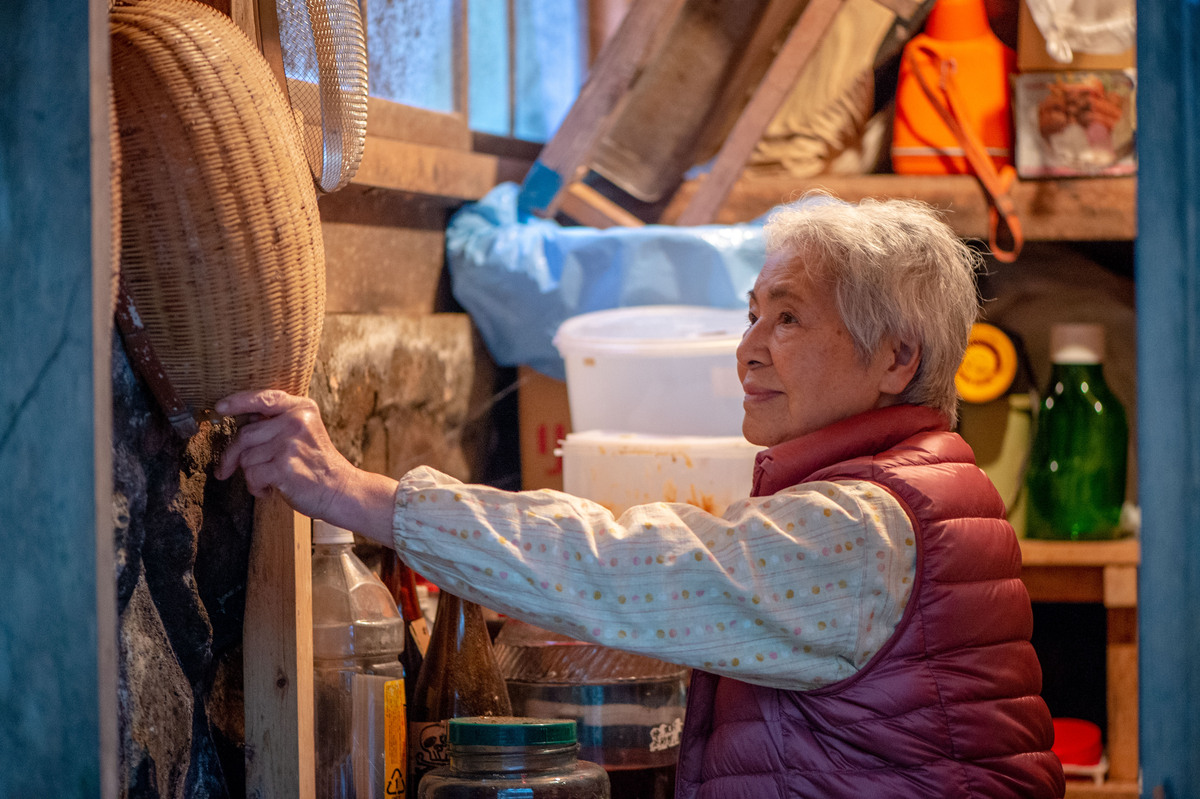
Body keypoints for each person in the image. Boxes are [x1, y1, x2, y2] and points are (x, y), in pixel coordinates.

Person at [216, 191, 1065, 798]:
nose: (748, 350)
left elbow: (623, 566)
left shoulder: (864, 526)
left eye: (790, 318)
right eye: (752, 314)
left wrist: (361, 495)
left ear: (896, 359)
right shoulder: (904, 487)